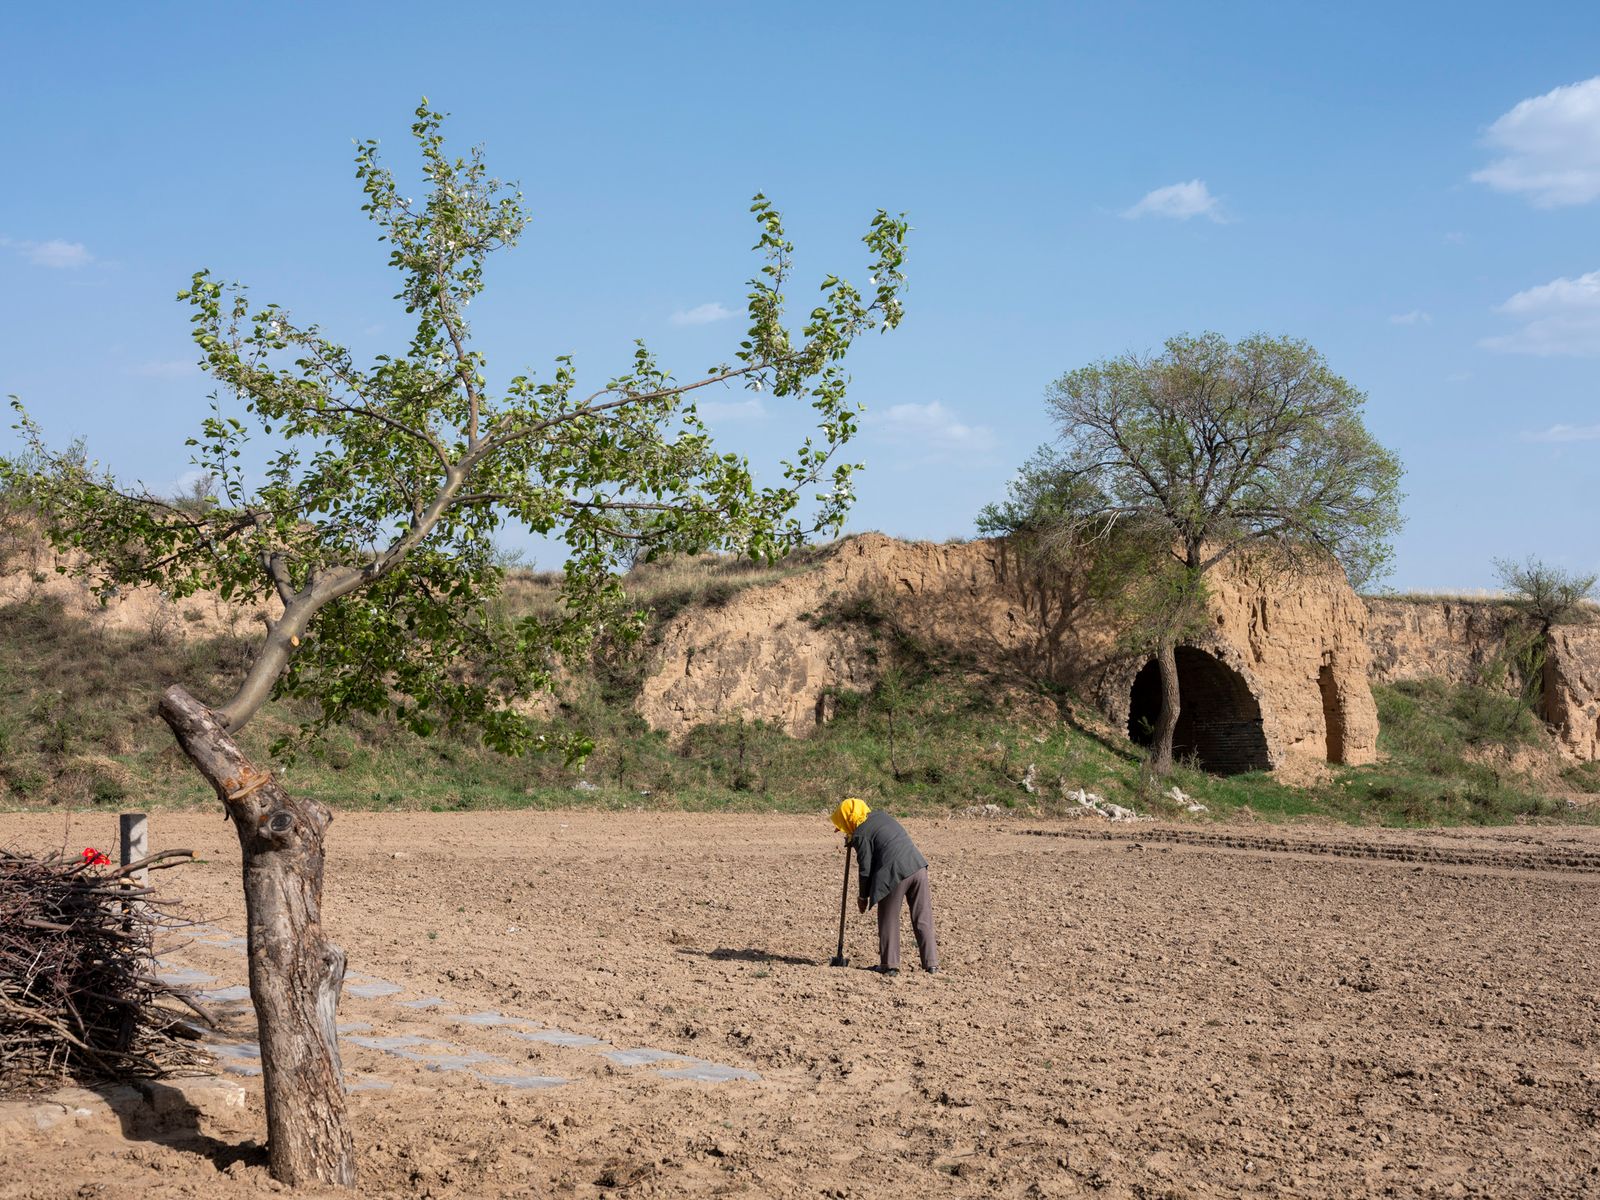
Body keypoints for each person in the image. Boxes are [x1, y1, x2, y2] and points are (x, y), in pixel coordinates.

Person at [830, 797, 939, 976]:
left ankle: (890, 965)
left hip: (894, 873)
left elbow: (865, 869)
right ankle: (931, 964)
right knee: (922, 917)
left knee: (888, 917)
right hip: (918, 867)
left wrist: (863, 897)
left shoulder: (861, 833)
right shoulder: (881, 816)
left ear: (848, 818)